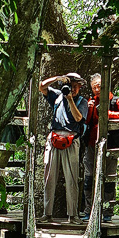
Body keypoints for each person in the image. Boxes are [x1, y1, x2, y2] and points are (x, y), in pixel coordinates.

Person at [80, 74, 119, 222]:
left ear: (106, 86)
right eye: (94, 87)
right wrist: (90, 111)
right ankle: (88, 211)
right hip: (92, 145)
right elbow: (85, 121)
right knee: (89, 177)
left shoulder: (116, 101)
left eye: (99, 86)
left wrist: (108, 114)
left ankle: (107, 212)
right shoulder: (91, 102)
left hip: (112, 145)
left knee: (109, 177)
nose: (97, 89)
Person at [39, 73, 88, 222]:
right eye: (70, 86)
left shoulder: (82, 101)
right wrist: (57, 78)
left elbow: (78, 118)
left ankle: (72, 215)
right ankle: (47, 214)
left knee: (72, 178)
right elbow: (41, 86)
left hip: (71, 140)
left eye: (75, 86)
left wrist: (70, 99)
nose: (72, 89)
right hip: (54, 138)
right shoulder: (56, 95)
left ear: (79, 87)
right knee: (49, 177)